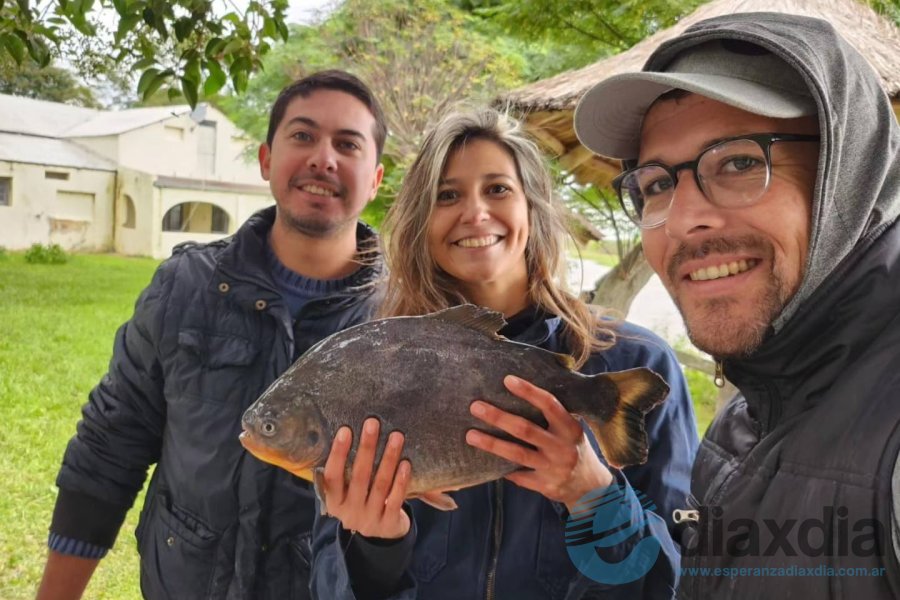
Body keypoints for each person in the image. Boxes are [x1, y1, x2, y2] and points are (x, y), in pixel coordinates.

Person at [573, 11, 900, 598]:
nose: (684, 218)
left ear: (844, 173)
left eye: (741, 162)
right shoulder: (743, 414)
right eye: (656, 184)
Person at [309, 107, 699, 599]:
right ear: (419, 221)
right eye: (447, 195)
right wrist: (374, 545)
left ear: (533, 208)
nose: (475, 213)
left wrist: (593, 494)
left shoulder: (635, 364)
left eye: (498, 189)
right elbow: (326, 582)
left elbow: (686, 577)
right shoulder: (368, 364)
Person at [36, 70, 387, 600]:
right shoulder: (185, 287)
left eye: (347, 144)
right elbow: (110, 445)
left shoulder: (402, 318)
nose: (323, 158)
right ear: (267, 160)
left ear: (376, 178)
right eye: (303, 135)